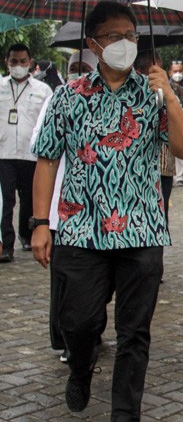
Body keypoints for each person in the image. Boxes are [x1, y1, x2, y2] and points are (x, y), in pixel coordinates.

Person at [31, 1, 183, 418]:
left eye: (130, 35)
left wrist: (171, 98)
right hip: (79, 228)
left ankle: (126, 413)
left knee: (134, 332)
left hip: (141, 229)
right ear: (92, 44)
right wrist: (39, 223)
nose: (124, 43)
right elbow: (47, 161)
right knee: (79, 322)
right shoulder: (67, 97)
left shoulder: (153, 94)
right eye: (113, 36)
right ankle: (81, 365)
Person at [30, 49, 98, 364]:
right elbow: (39, 147)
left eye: (84, 67)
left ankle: (90, 336)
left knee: (94, 285)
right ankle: (64, 340)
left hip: (94, 211)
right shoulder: (58, 99)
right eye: (74, 67)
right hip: (59, 205)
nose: (77, 72)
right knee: (64, 282)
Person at [0, 43, 53, 262]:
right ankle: (7, 245)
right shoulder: (0, 86)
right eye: (14, 61)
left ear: (30, 63)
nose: (18, 66)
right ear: (7, 62)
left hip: (31, 154)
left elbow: (48, 122)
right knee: (6, 200)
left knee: (29, 200)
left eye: (23, 61)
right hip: (4, 154)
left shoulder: (43, 90)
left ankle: (25, 233)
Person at [136, 50, 183, 217]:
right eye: (155, 65)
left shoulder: (168, 88)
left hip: (164, 165)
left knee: (160, 213)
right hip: (140, 165)